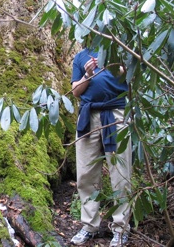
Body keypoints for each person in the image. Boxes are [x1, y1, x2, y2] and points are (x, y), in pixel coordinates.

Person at [70, 47, 132, 247]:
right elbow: (75, 91)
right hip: (88, 116)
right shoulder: (80, 56)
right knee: (86, 174)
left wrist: (119, 68)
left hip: (117, 115)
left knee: (120, 174)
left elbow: (133, 79)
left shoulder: (120, 50)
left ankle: (121, 229)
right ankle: (89, 226)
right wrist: (88, 74)